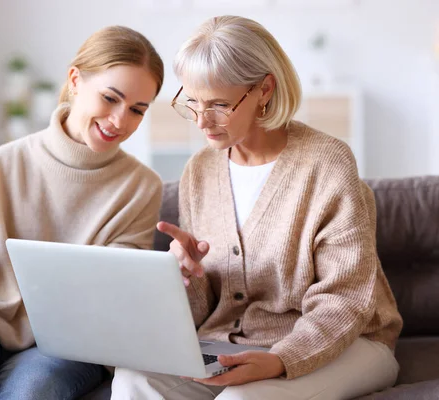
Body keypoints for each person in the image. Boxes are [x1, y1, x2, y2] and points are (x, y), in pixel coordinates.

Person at [111, 15, 403, 400]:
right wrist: (187, 273)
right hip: (235, 346)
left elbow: (346, 299)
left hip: (350, 343)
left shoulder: (327, 163)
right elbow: (209, 307)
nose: (202, 120)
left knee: (242, 399)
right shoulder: (199, 170)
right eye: (192, 102)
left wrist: (282, 359)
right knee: (134, 381)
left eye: (219, 104)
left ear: (265, 89)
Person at [0, 25, 164, 400]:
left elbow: (114, 299)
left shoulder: (141, 186)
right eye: (110, 98)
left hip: (70, 341)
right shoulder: (2, 163)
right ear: (75, 81)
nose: (120, 121)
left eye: (137, 110)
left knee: (31, 389)